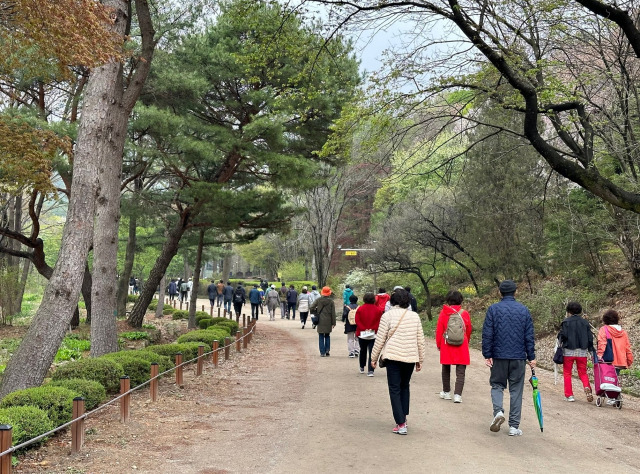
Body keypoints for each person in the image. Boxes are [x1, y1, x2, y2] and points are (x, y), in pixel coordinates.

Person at [482, 280, 536, 437]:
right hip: (518, 357)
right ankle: (513, 426)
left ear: (500, 293)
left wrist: (488, 354)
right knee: (516, 390)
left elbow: (487, 334)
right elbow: (529, 336)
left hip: (498, 356)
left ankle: (498, 412)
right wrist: (531, 356)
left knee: (497, 385)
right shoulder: (523, 310)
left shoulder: (493, 309)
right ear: (515, 292)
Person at [370, 289, 425, 435]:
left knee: (394, 388)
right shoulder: (414, 316)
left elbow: (380, 338)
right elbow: (420, 340)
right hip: (410, 357)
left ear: (392, 301)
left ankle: (400, 423)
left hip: (393, 357)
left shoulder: (387, 316)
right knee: (404, 386)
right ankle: (403, 418)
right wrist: (420, 359)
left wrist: (373, 358)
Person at [435, 290, 472, 403]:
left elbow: (439, 330)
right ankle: (457, 395)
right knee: (461, 371)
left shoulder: (444, 312)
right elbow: (468, 329)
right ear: (460, 300)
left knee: (446, 368)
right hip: (462, 343)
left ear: (448, 300)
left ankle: (446, 393)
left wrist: (439, 344)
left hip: (447, 343)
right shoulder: (464, 313)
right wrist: (467, 341)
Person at [558, 302, 594, 403]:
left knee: (567, 373)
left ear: (568, 311)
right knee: (583, 372)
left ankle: (569, 395)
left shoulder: (566, 322)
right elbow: (590, 338)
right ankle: (587, 387)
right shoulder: (585, 322)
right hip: (582, 351)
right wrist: (591, 351)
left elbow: (563, 336)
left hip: (568, 351)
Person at [597, 309, 633, 376]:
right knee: (614, 381)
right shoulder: (623, 333)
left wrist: (599, 356)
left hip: (607, 361)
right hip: (620, 362)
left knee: (606, 382)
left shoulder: (604, 329)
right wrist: (629, 361)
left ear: (605, 319)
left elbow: (602, 343)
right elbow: (628, 348)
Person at [356, 292, 384, 376]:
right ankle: (370, 370)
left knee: (362, 350)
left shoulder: (360, 309)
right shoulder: (378, 310)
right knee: (372, 352)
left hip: (362, 333)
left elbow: (357, 320)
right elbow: (379, 322)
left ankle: (361, 366)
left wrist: (364, 329)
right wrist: (372, 329)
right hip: (373, 334)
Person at [310, 286, 337, 357]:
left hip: (320, 320)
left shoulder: (318, 300)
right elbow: (333, 313)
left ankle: (322, 352)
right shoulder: (331, 301)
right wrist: (334, 322)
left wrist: (315, 312)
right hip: (328, 320)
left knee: (321, 336)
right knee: (327, 335)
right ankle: (327, 350)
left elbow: (311, 307)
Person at [343, 294, 359, 358]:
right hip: (358, 325)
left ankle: (351, 352)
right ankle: (357, 350)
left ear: (350, 300)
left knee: (350, 339)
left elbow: (344, 315)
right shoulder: (359, 307)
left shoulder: (347, 307)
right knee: (357, 338)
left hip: (349, 324)